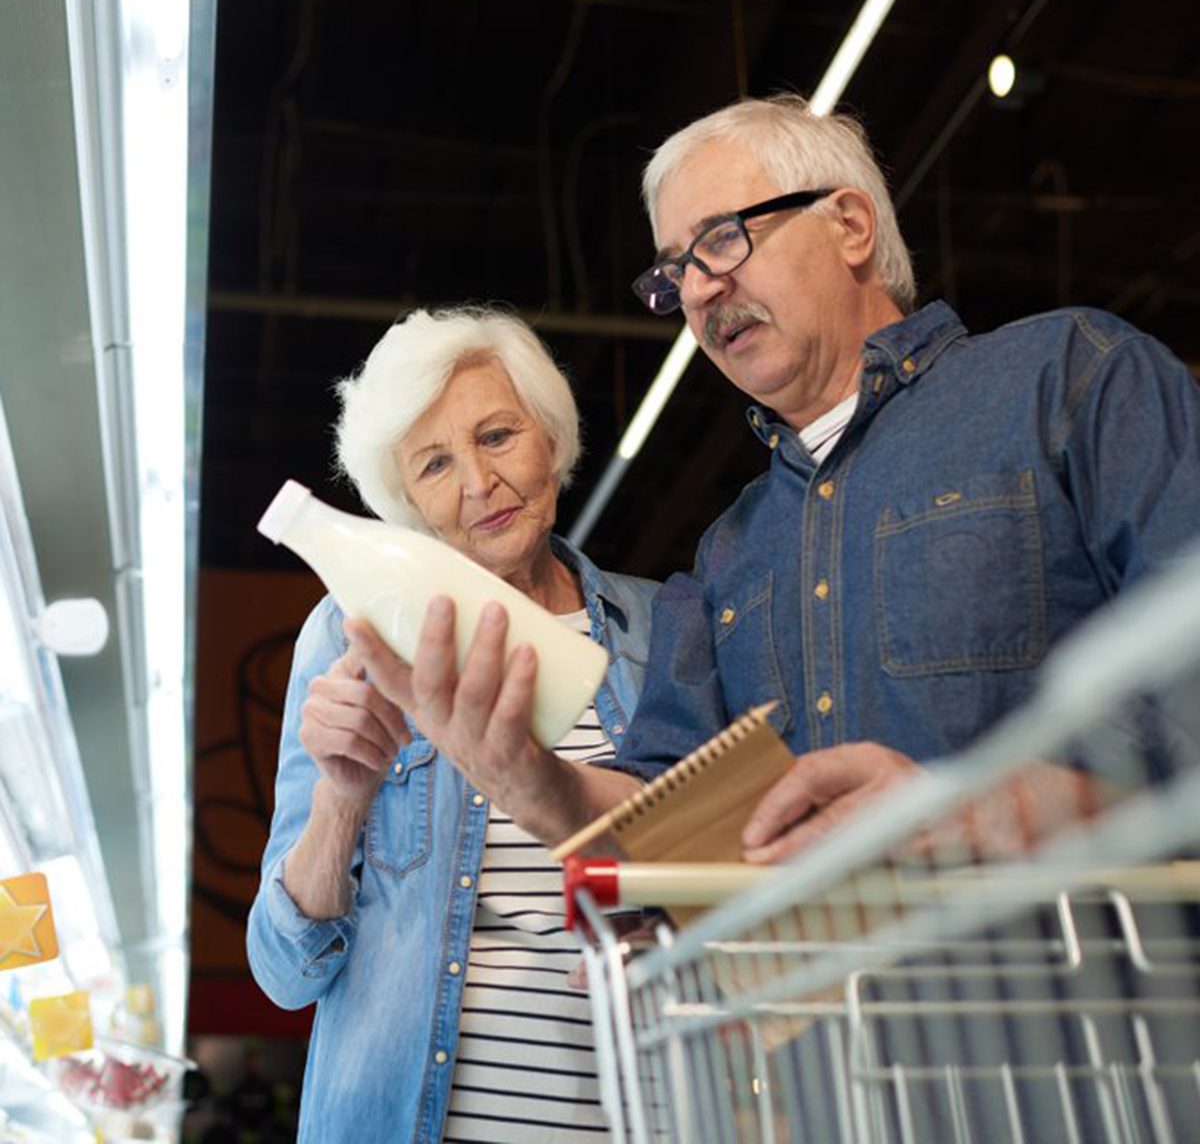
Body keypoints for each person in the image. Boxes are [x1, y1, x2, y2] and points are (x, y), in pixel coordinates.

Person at [346, 94, 1200, 865]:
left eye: (723, 237)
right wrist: (530, 781)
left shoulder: (1072, 379)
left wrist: (983, 813)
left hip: (1090, 978)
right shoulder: (727, 557)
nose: (700, 288)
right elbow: (669, 821)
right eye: (675, 272)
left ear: (851, 226)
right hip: (833, 995)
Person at [246, 307, 658, 1143]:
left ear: (550, 437)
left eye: (498, 435)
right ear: (408, 502)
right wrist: (342, 799)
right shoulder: (351, 636)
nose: (478, 481)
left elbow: (723, 885)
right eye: (435, 464)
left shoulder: (660, 627)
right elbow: (284, 973)